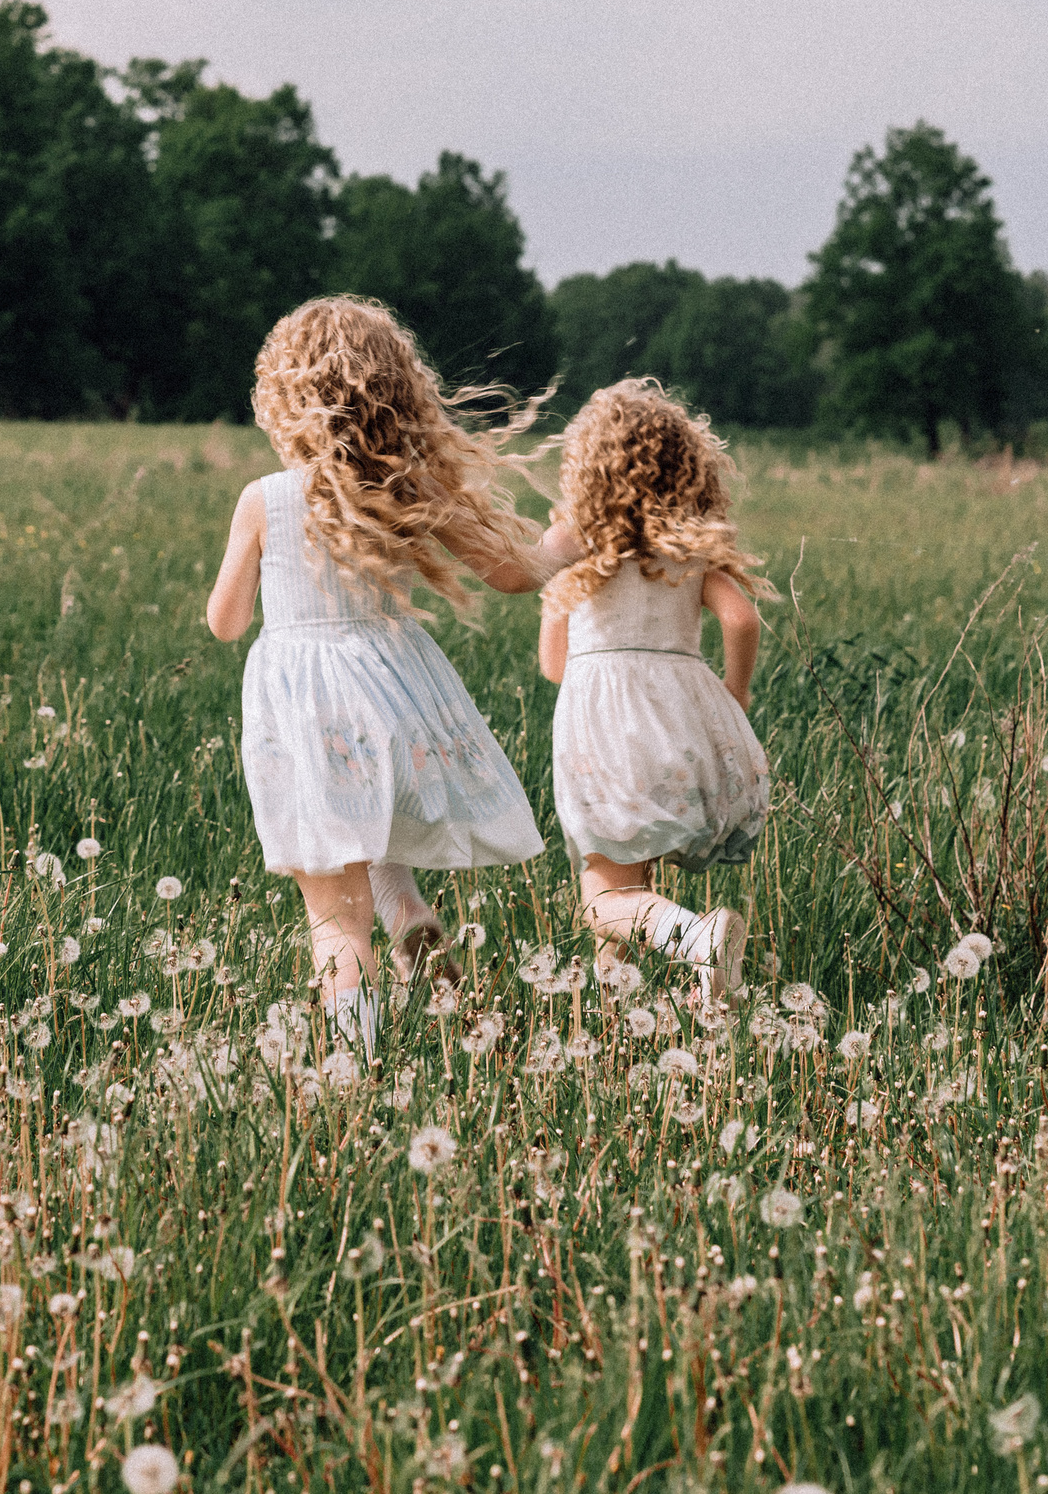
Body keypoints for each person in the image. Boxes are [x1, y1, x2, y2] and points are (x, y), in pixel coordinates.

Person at [206, 296, 564, 1052]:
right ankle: (418, 937)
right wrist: (574, 534)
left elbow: (225, 621)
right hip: (394, 706)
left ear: (283, 400)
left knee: (336, 920)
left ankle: (356, 1066)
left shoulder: (264, 500)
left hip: (308, 718)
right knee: (379, 848)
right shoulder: (404, 487)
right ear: (396, 394)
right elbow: (514, 572)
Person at [537, 379, 769, 997]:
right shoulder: (689, 552)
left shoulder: (575, 541)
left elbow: (553, 666)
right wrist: (734, 694)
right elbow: (742, 619)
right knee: (627, 887)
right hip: (679, 720)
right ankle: (615, 1004)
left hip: (602, 724)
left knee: (599, 900)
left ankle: (696, 938)